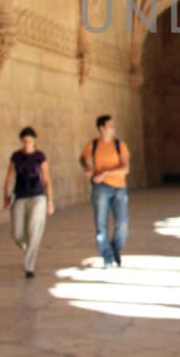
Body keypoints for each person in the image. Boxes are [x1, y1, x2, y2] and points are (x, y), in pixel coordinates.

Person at [3, 126, 54, 280]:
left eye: (29, 141)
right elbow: (9, 177)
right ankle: (28, 248)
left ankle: (29, 267)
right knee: (17, 234)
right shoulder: (16, 157)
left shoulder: (40, 156)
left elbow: (46, 179)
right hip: (20, 196)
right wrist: (6, 197)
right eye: (24, 141)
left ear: (34, 141)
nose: (27, 144)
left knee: (34, 229)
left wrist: (50, 201)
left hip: (38, 197)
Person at [80, 114, 130, 268]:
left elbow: (125, 168)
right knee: (100, 223)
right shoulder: (93, 145)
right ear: (102, 128)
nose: (113, 128)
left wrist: (105, 174)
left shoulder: (119, 145)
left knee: (122, 223)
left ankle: (115, 248)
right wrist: (87, 167)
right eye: (110, 125)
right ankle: (107, 256)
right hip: (100, 188)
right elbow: (82, 158)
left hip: (119, 187)